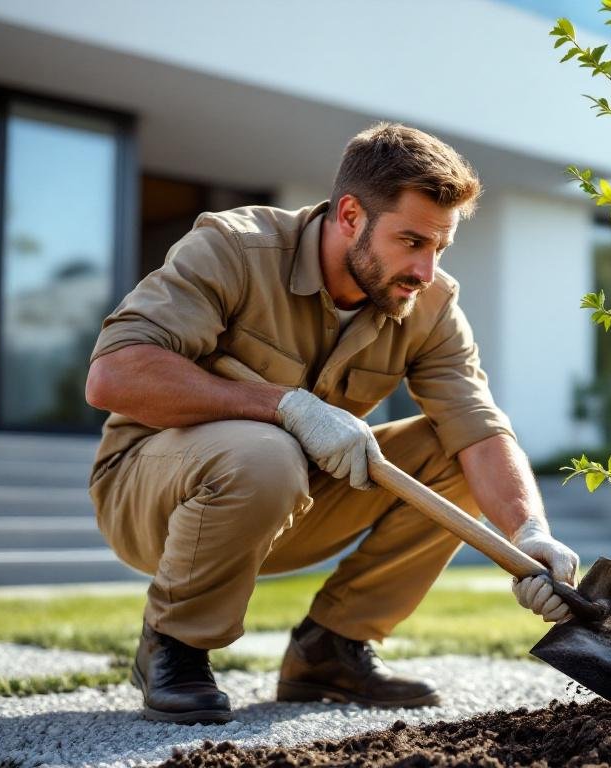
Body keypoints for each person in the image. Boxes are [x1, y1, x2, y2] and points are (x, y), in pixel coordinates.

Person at [84, 122, 579, 724]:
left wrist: (528, 532)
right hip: (153, 494)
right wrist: (285, 405)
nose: (425, 270)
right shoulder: (234, 249)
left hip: (287, 502)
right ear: (350, 215)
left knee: (450, 453)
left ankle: (331, 650)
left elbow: (477, 426)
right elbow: (114, 376)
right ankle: (174, 644)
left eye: (438, 248)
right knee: (267, 451)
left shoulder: (430, 304)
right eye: (411, 241)